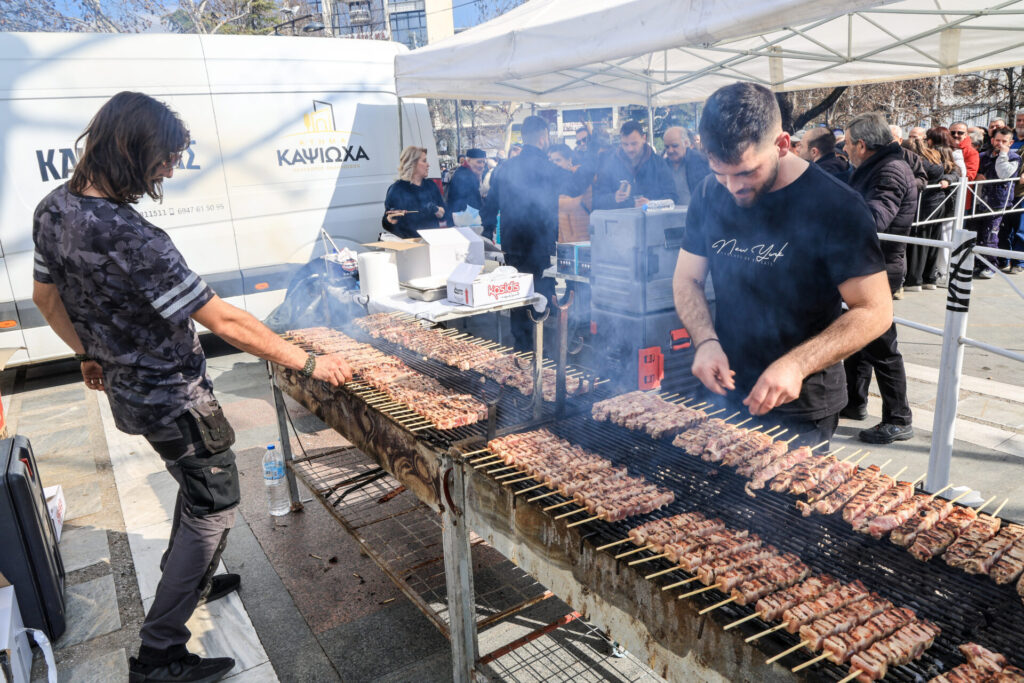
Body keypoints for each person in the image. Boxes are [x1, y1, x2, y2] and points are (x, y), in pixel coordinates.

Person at [31, 92, 353, 683]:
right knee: (216, 503)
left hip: (130, 394)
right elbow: (224, 320)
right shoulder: (133, 236)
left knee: (192, 486)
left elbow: (46, 298)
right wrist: (307, 360)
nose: (171, 171)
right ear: (131, 150)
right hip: (175, 399)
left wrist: (87, 352)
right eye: (165, 158)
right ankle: (160, 653)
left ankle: (191, 573)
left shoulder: (53, 208)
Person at [673, 83, 891, 448]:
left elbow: (875, 309)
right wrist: (706, 341)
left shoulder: (836, 207)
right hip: (722, 389)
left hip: (800, 405)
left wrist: (797, 364)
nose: (732, 187)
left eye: (746, 173)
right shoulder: (709, 193)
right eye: (720, 172)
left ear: (782, 144)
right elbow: (686, 279)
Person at [844, 112, 916, 444]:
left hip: (882, 270)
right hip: (867, 268)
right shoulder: (875, 167)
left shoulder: (890, 170)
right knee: (859, 342)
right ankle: (855, 403)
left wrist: (834, 213)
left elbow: (875, 218)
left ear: (862, 144)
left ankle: (899, 419)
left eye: (846, 143)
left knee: (883, 347)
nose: (844, 149)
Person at [482, 116, 569, 350]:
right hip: (540, 247)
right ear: (544, 137)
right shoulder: (548, 167)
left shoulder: (505, 167)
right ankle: (544, 353)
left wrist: (487, 229)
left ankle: (521, 350)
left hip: (512, 246)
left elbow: (490, 204)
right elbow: (575, 185)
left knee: (518, 297)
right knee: (542, 298)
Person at [902, 136, 957, 291]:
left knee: (919, 241)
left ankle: (914, 280)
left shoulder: (914, 160)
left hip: (923, 204)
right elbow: (953, 170)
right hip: (938, 203)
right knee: (933, 240)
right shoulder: (935, 156)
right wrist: (948, 178)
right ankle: (929, 278)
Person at [593, 120, 677, 209]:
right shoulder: (610, 164)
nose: (630, 149)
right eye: (625, 144)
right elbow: (597, 201)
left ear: (644, 139)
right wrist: (614, 198)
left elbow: (672, 196)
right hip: (621, 221)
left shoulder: (658, 163)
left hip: (653, 220)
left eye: (634, 143)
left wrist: (652, 204)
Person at [973, 126, 1022, 279]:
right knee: (979, 234)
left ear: (1010, 142)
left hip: (999, 201)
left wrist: (1003, 154)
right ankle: (979, 263)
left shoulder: (1014, 157)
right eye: (997, 140)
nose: (1000, 144)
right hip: (981, 199)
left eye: (1004, 141)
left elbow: (1003, 173)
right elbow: (975, 171)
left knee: (991, 235)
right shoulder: (984, 155)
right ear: (992, 139)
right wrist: (978, 175)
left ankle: (990, 265)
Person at [382, 146, 447, 239]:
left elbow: (445, 214)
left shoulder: (431, 185)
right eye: (424, 161)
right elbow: (386, 223)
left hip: (432, 240)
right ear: (412, 164)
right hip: (409, 244)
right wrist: (391, 220)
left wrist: (437, 210)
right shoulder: (397, 189)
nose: (428, 164)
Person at [548, 143, 591, 243]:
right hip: (564, 240)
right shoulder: (555, 181)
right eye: (552, 161)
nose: (555, 164)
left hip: (583, 239)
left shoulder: (581, 178)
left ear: (569, 160)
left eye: (558, 160)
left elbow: (574, 203)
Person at [662, 126, 711, 205]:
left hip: (696, 214)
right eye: (667, 147)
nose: (670, 150)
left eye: (675, 146)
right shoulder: (663, 165)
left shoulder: (701, 161)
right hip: (669, 215)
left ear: (686, 143)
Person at [447, 147, 486, 213]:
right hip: (463, 218)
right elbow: (471, 203)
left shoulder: (468, 172)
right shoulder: (463, 175)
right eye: (479, 162)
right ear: (468, 161)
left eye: (483, 162)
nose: (482, 165)